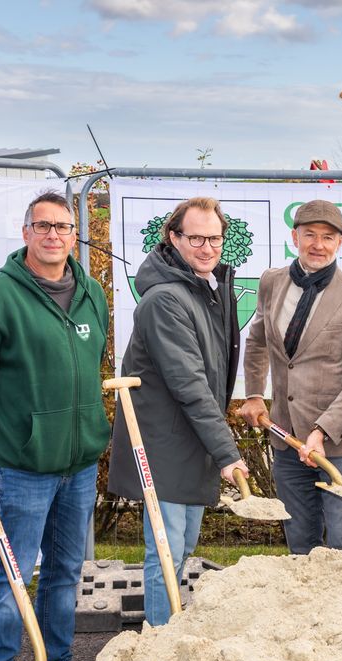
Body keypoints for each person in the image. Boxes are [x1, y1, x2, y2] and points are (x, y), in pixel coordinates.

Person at [0, 190, 110, 661]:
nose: (53, 235)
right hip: (25, 467)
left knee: (64, 571)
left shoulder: (91, 293)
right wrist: (10, 438)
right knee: (12, 574)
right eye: (43, 226)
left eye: (63, 226)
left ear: (74, 236)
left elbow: (90, 363)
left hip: (79, 464)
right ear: (26, 233)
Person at [108, 197, 247, 627]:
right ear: (173, 237)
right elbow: (189, 383)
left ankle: (168, 630)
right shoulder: (165, 300)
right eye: (196, 238)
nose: (208, 248)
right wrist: (227, 453)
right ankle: (158, 641)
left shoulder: (205, 290)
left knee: (183, 547)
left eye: (215, 239)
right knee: (165, 552)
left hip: (191, 439)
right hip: (164, 443)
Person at [239, 200, 342, 554]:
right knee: (300, 541)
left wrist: (321, 432)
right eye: (310, 235)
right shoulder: (271, 282)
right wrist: (254, 394)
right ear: (295, 237)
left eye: (328, 237)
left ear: (340, 242)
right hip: (286, 437)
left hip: (340, 445)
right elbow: (257, 341)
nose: (318, 245)